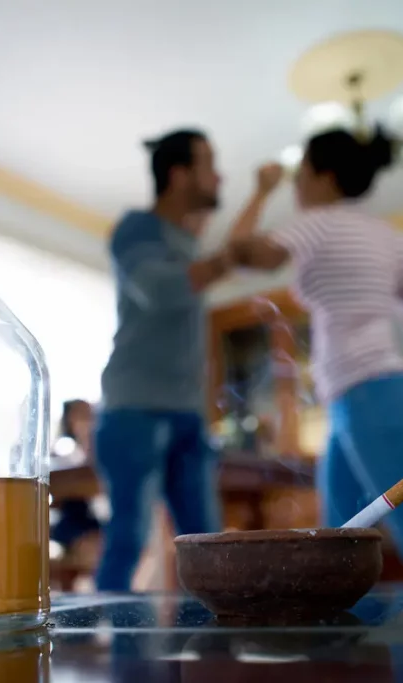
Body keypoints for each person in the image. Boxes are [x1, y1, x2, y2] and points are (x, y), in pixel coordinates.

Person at [227, 127, 403, 583]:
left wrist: (260, 191)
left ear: (325, 177)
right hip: (370, 397)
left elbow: (242, 253)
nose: (296, 186)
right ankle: (346, 646)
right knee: (339, 534)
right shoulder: (390, 237)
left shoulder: (318, 223)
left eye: (300, 175)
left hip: (369, 395)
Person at [94, 128, 281, 591]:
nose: (219, 176)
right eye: (210, 165)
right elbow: (161, 289)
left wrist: (259, 194)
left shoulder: (189, 242)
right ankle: (112, 661)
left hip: (186, 414)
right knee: (128, 540)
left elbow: (225, 251)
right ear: (179, 175)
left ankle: (209, 661)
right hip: (133, 410)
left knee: (207, 547)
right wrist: (230, 257)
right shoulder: (136, 228)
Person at [49, 399, 101, 550]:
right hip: (74, 526)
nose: (89, 421)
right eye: (82, 416)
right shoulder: (64, 451)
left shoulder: (97, 453)